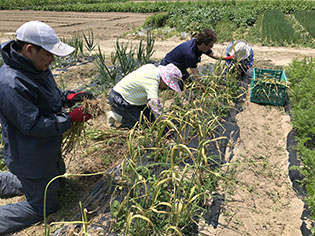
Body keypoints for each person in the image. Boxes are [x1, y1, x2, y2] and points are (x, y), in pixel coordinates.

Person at [0, 20, 93, 234]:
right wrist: (71, 119)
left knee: (56, 178)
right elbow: (32, 125)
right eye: (48, 54)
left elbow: (49, 96)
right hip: (30, 153)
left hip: (45, 148)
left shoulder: (36, 67)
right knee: (44, 206)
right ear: (30, 49)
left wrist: (68, 97)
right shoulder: (11, 82)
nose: (51, 60)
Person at [108, 63, 182, 129]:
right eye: (167, 84)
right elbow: (154, 104)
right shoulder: (152, 82)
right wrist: (162, 122)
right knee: (142, 124)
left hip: (130, 98)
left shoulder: (151, 67)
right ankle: (116, 116)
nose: (167, 87)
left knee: (150, 118)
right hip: (119, 100)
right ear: (163, 79)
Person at [160, 28, 233, 90]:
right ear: (204, 44)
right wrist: (203, 89)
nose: (211, 47)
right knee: (181, 87)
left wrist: (228, 58)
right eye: (211, 45)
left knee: (188, 83)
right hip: (167, 67)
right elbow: (196, 75)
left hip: (179, 68)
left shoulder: (199, 45)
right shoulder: (189, 53)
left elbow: (213, 55)